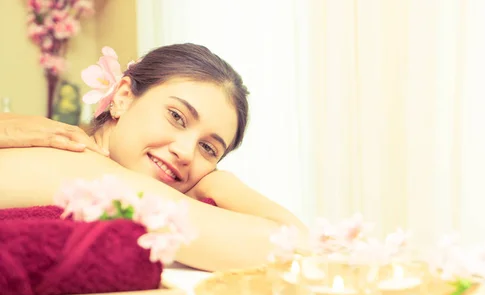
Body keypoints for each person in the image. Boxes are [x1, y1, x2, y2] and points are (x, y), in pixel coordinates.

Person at [0, 43, 306, 271]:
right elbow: (292, 245)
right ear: (122, 98)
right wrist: (220, 185)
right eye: (176, 116)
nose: (186, 152)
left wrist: (213, 182)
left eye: (209, 149)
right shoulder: (87, 171)